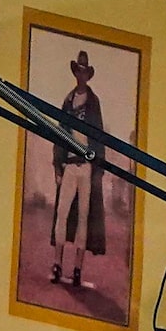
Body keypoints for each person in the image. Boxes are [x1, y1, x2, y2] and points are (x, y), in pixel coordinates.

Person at [50, 51, 107, 289]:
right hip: (70, 165)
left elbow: (99, 135)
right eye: (78, 71)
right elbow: (60, 133)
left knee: (84, 216)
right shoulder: (68, 100)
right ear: (75, 73)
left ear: (88, 75)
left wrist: (97, 168)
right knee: (62, 213)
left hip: (87, 166)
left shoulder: (93, 103)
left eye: (84, 72)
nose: (81, 75)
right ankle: (57, 265)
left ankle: (77, 269)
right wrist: (57, 164)